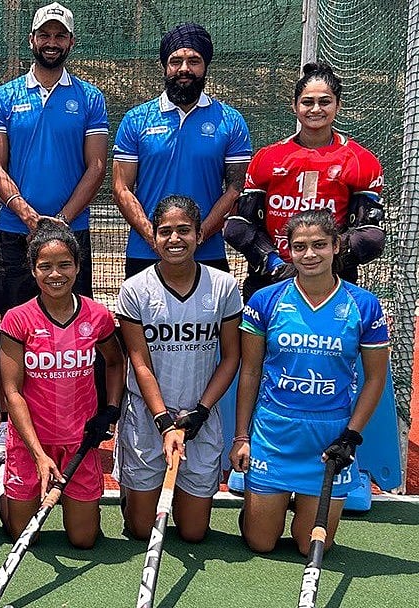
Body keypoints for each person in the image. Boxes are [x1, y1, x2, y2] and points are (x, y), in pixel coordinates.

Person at [0, 1, 109, 467]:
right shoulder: (5, 95)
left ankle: (78, 422)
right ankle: (7, 427)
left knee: (74, 331)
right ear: (33, 39)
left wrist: (57, 221)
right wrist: (27, 213)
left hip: (69, 233)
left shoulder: (90, 98)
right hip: (16, 233)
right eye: (45, 34)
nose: (52, 42)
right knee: (15, 329)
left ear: (70, 42)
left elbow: (97, 166)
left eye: (60, 35)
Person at [230, 210, 389, 555]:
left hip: (329, 439)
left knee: (311, 546)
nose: (310, 254)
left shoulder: (364, 305)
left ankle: (298, 502)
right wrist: (242, 437)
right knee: (260, 543)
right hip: (275, 432)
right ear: (288, 251)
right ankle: (265, 504)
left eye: (319, 245)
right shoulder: (265, 300)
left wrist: (351, 437)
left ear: (336, 246)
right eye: (299, 246)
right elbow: (251, 372)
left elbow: (375, 378)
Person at [115, 195, 241, 543]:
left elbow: (230, 357)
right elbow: (139, 361)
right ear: (152, 237)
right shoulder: (134, 289)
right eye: (165, 231)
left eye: (184, 230)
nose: (174, 239)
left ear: (200, 235)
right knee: (141, 530)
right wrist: (163, 421)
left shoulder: (224, 287)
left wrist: (199, 413)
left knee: (193, 533)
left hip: (199, 417)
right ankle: (134, 490)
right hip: (149, 415)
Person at [0, 219, 125, 549]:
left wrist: (110, 410)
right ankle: (3, 478)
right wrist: (38, 455)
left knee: (84, 540)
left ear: (78, 267)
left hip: (78, 444)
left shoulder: (98, 316)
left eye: (65, 265)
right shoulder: (17, 319)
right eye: (46, 266)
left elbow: (115, 361)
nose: (56, 274)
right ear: (33, 270)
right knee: (23, 537)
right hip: (30, 443)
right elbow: (11, 391)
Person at [224, 62, 385, 300]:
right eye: (307, 102)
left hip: (333, 283)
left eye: (325, 102)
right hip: (270, 280)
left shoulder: (360, 160)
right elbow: (240, 226)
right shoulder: (267, 157)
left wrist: (322, 262)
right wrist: (274, 263)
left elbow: (370, 235)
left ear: (338, 105)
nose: (316, 109)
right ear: (295, 106)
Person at [113, 23, 251, 278]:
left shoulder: (230, 121)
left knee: (210, 320)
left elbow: (235, 189)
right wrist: (155, 237)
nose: (184, 69)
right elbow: (121, 188)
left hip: (207, 252)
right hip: (145, 252)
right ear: (164, 66)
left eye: (194, 61)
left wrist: (197, 237)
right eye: (176, 61)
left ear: (206, 66)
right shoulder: (136, 119)